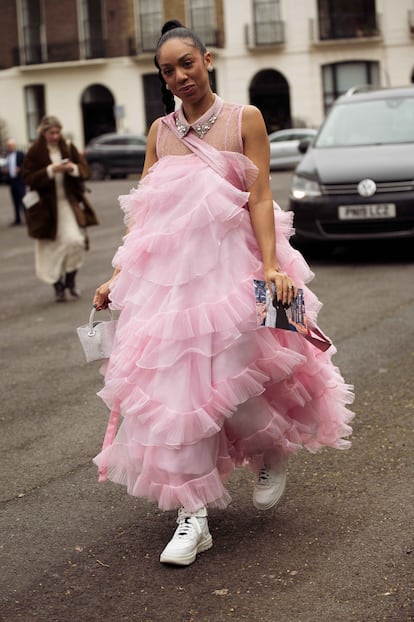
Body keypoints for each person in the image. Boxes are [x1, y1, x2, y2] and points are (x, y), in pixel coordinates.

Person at [93, 20, 354, 567]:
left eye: (187, 63)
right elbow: (144, 216)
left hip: (232, 274)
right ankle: (193, 517)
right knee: (174, 394)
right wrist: (118, 277)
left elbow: (260, 197)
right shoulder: (161, 132)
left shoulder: (244, 119)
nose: (179, 76)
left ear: (207, 60)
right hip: (169, 285)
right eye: (168, 70)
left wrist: (269, 267)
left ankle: (269, 449)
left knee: (237, 382)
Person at [23, 116, 94, 302]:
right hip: (46, 209)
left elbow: (85, 170)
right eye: (51, 132)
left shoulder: (68, 147)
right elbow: (28, 178)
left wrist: (72, 169)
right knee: (51, 250)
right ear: (43, 133)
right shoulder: (34, 151)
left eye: (57, 132)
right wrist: (50, 170)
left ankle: (70, 280)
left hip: (68, 204)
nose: (55, 136)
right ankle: (58, 288)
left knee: (76, 242)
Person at [5, 138, 26, 226]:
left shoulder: (20, 154)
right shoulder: (7, 156)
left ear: (14, 146)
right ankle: (17, 219)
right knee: (15, 201)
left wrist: (20, 168)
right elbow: (8, 165)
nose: (10, 147)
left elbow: (26, 164)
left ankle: (28, 218)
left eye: (11, 146)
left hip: (20, 181)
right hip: (12, 181)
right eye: (9, 146)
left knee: (23, 200)